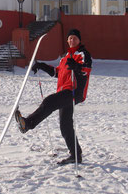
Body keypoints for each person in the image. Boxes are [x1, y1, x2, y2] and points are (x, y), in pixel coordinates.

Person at [15, 29, 92, 165]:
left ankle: (28, 124)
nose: (71, 40)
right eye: (69, 38)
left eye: (74, 38)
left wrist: (77, 67)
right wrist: (42, 66)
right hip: (65, 91)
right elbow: (57, 73)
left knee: (49, 101)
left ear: (79, 40)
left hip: (74, 91)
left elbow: (86, 69)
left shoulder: (82, 54)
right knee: (65, 125)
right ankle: (76, 155)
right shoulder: (65, 57)